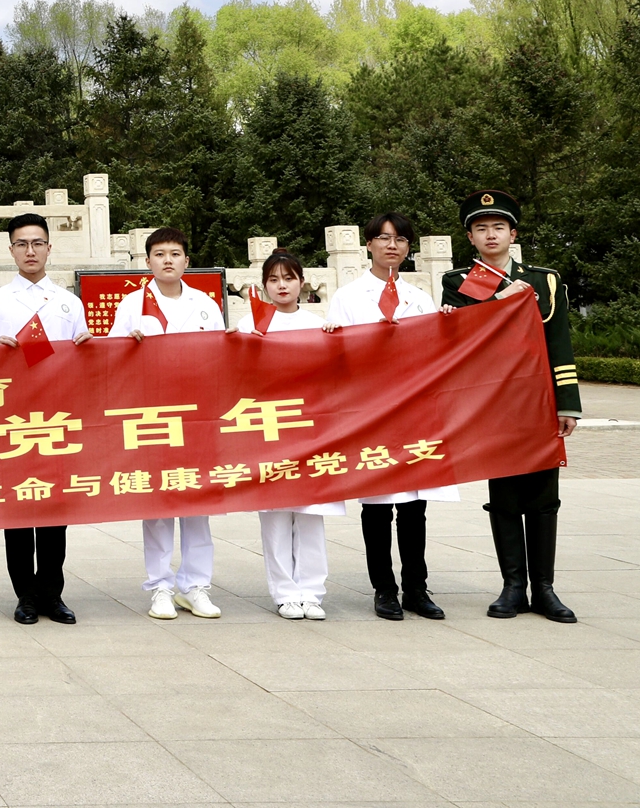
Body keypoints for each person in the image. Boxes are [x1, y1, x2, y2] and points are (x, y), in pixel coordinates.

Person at [443, 190, 581, 624]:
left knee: (543, 498)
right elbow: (461, 334)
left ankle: (544, 588)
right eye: (481, 228)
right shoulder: (458, 280)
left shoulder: (545, 280)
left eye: (498, 227)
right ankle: (512, 586)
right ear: (470, 236)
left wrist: (568, 403)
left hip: (538, 401)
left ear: (512, 233)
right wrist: (501, 300)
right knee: (503, 496)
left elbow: (558, 342)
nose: (490, 234)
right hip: (493, 402)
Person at [327, 212, 450, 621]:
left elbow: (435, 353)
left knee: (415, 506)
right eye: (383, 238)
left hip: (413, 412)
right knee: (377, 505)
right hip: (371, 413)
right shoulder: (347, 296)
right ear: (369, 245)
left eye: (399, 239)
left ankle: (417, 587)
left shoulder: (421, 297)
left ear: (408, 247)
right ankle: (384, 589)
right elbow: (336, 358)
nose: (391, 245)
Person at [0, 212, 90, 625]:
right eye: (21, 244)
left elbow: (85, 361)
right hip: (13, 420)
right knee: (20, 509)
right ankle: (24, 594)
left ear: (48, 248)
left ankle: (52, 593)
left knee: (54, 511)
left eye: (37, 243)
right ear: (11, 250)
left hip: (57, 417)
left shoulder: (69, 302)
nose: (29, 251)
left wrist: (86, 346)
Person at [110, 227, 227, 622]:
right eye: (159, 254)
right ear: (147, 262)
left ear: (186, 261)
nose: (167, 260)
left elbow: (221, 358)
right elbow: (110, 359)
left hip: (196, 417)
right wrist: (129, 344)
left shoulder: (206, 304)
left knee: (197, 501)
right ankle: (160, 587)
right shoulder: (131, 305)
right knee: (158, 502)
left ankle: (196, 586)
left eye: (175, 254)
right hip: (152, 415)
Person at [231, 249, 342, 621]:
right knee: (276, 514)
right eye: (274, 279)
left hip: (310, 430)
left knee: (311, 513)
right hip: (268, 429)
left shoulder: (318, 324)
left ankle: (312, 591)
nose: (282, 285)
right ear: (263, 286)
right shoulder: (250, 326)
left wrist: (333, 340)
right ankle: (284, 592)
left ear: (301, 283)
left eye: (289, 278)